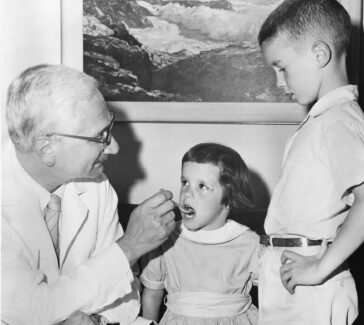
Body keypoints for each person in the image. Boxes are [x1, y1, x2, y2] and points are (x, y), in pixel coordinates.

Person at [1, 64, 176, 325]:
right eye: (101, 136)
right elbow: (31, 309)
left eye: (110, 128)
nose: (114, 147)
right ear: (47, 148)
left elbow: (125, 295)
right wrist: (130, 247)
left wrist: (93, 320)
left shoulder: (96, 185)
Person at [257, 0, 364, 324]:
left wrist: (319, 268)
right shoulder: (323, 120)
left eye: (282, 67)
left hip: (314, 290)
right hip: (295, 285)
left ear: (319, 54)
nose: (278, 82)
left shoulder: (339, 119)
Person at [140, 142, 260, 324]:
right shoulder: (166, 236)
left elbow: (272, 295)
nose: (188, 193)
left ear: (229, 199)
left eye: (202, 186)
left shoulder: (249, 242)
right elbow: (152, 293)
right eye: (185, 183)